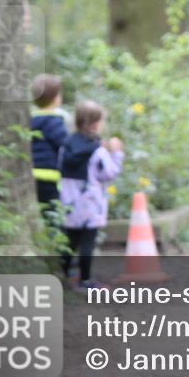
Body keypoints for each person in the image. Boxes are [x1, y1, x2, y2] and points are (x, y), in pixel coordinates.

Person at [58, 100, 124, 291]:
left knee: (69, 241)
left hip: (68, 202)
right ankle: (85, 281)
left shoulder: (66, 145)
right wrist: (117, 154)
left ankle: (64, 275)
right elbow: (109, 173)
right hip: (90, 204)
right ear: (96, 123)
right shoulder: (98, 150)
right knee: (87, 242)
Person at [30, 74, 70, 216]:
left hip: (32, 174)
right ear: (56, 98)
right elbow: (64, 145)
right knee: (52, 213)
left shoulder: (30, 119)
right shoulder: (54, 121)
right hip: (49, 175)